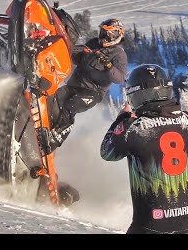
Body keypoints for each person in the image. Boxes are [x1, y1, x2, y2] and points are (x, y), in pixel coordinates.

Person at [100, 64, 188, 234]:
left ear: (137, 95)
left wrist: (121, 119)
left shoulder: (135, 128)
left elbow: (107, 151)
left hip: (154, 224)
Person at [39, 18, 128, 154]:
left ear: (117, 35)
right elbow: (77, 59)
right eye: (103, 32)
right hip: (74, 85)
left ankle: (54, 140)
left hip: (93, 92)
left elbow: (120, 78)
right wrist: (75, 51)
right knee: (52, 100)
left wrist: (108, 65)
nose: (104, 36)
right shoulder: (93, 43)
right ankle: (45, 128)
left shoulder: (118, 54)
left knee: (70, 106)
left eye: (109, 34)